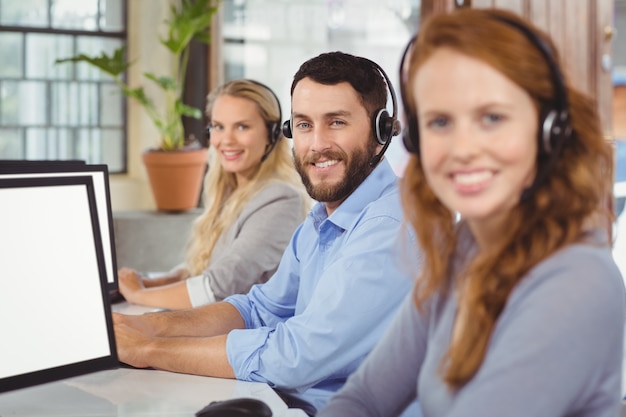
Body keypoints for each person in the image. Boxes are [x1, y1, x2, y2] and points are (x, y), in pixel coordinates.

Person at [318, 8, 625, 417]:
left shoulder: (576, 281)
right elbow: (366, 398)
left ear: (550, 129)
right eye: (440, 121)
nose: (462, 148)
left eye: (492, 117)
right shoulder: (466, 247)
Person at [113, 51, 416, 414]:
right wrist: (151, 326)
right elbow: (259, 309)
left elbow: (297, 355)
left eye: (336, 122)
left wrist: (148, 351)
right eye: (304, 125)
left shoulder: (390, 226)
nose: (317, 144)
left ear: (382, 130)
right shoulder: (322, 221)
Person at [117, 79, 310, 310]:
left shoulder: (281, 199)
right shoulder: (231, 189)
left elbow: (218, 287)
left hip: (243, 336)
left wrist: (137, 294)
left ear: (271, 133)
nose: (226, 140)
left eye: (242, 127)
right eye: (218, 126)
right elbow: (210, 263)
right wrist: (156, 282)